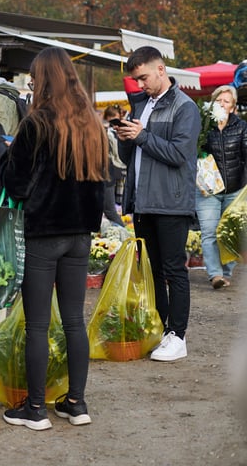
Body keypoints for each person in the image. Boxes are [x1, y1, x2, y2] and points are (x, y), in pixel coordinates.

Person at [0, 46, 108, 431]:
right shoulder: (93, 123)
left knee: (38, 326)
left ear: (43, 79)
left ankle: (35, 409)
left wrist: (6, 158)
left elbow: (16, 183)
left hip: (44, 231)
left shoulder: (36, 123)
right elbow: (102, 181)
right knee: (75, 321)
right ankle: (76, 404)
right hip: (80, 233)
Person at [115, 46, 201, 362]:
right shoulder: (141, 105)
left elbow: (179, 155)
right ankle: (164, 331)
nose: (140, 85)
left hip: (171, 202)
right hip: (144, 201)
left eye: (144, 77)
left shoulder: (184, 107)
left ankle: (178, 336)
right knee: (152, 272)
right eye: (136, 80)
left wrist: (142, 137)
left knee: (173, 271)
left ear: (161, 69)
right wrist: (125, 139)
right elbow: (132, 156)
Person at [196, 84, 247, 289]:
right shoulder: (203, 125)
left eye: (227, 101)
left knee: (229, 232)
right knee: (209, 232)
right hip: (209, 190)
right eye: (219, 100)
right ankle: (215, 274)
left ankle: (227, 272)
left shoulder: (241, 127)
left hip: (235, 189)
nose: (222, 104)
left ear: (233, 107)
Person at [102, 105, 126, 226]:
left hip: (109, 172)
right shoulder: (108, 132)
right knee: (111, 210)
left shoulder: (109, 133)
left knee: (110, 210)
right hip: (111, 171)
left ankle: (124, 235)